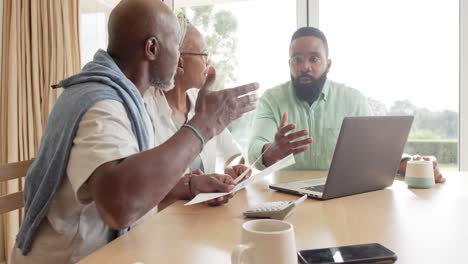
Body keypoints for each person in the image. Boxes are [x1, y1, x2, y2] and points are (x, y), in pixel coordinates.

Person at [12, 0, 258, 263]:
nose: (178, 60)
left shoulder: (126, 99)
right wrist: (203, 126)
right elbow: (120, 205)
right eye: (176, 46)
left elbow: (138, 186)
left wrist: (188, 185)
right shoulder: (101, 105)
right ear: (152, 48)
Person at [248, 26, 445, 183]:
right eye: (297, 59)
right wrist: (271, 151)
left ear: (328, 64)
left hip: (340, 198)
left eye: (314, 58)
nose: (305, 66)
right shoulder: (271, 99)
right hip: (285, 196)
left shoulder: (354, 100)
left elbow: (375, 151)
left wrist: (413, 164)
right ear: (289, 64)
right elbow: (253, 150)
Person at [144, 14, 250, 192]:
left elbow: (231, 152)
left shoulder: (203, 101)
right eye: (204, 54)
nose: (208, 62)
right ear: (179, 61)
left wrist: (231, 168)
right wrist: (189, 187)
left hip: (201, 215)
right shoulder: (145, 106)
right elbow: (144, 184)